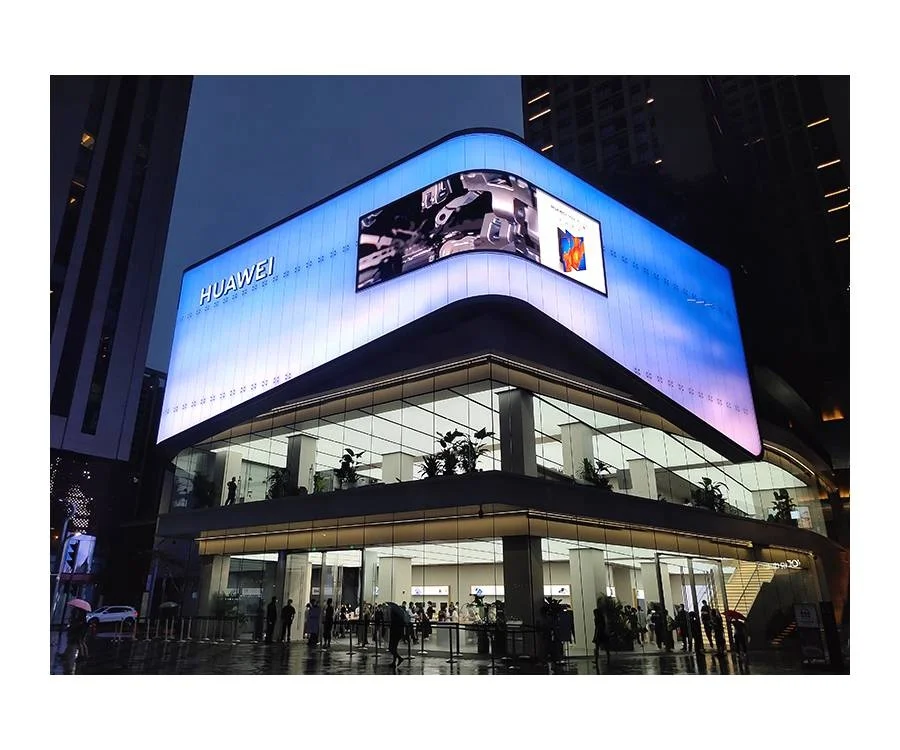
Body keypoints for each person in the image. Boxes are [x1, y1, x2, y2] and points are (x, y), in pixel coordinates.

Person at [62, 607, 90, 675]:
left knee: (80, 642)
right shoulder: (82, 615)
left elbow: (78, 624)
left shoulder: (80, 615)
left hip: (80, 631)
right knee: (81, 642)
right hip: (81, 631)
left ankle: (83, 656)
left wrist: (74, 625)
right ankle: (84, 655)